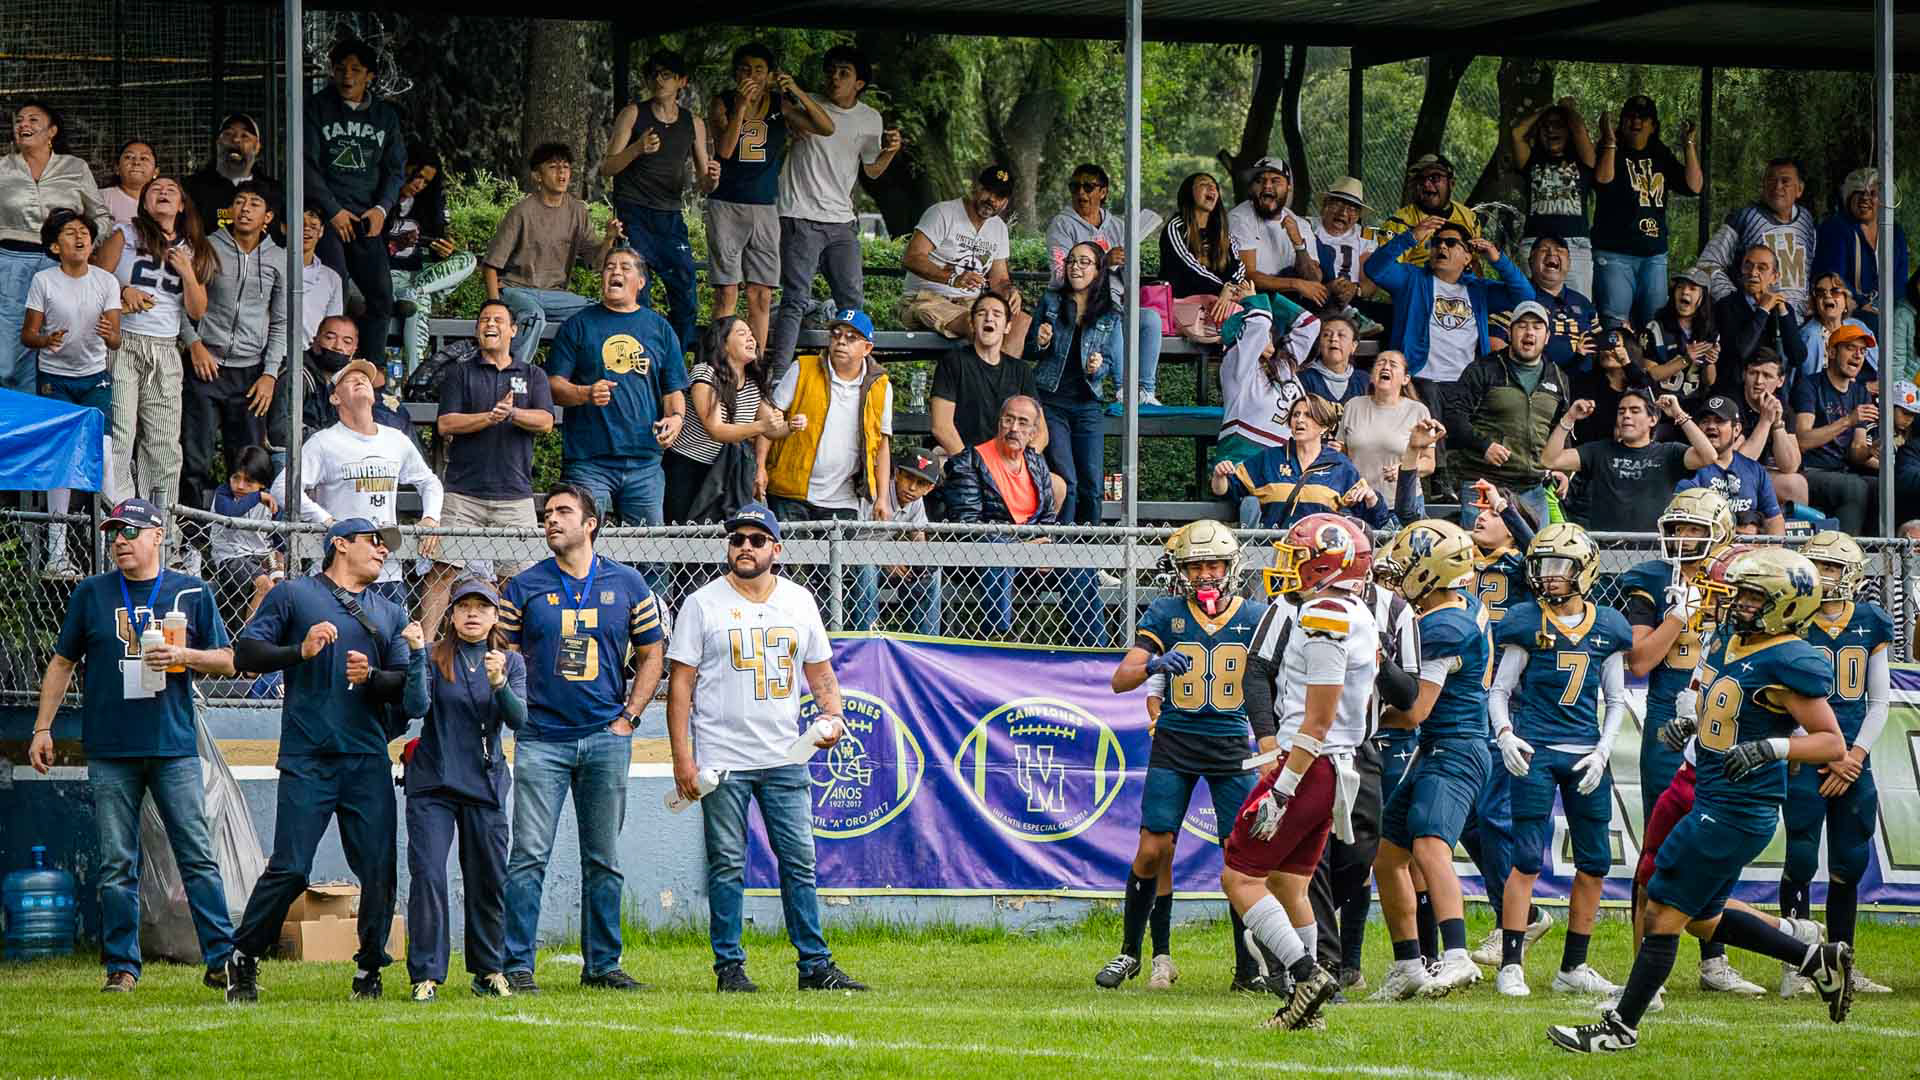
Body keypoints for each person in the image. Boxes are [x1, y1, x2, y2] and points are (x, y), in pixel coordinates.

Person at [1546, 549, 1853, 1054]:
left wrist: (1771, 748)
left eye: (1753, 596)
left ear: (1786, 604)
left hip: (1738, 808)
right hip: (1713, 794)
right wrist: (1693, 724)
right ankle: (1814, 959)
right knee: (1702, 916)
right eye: (1741, 593)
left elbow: (1831, 743)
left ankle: (1621, 1027)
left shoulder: (1788, 657)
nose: (1740, 603)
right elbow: (1732, 708)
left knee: (1663, 912)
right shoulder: (1734, 640)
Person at [26, 499, 236, 993]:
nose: (119, 540)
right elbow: (61, 662)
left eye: (130, 531)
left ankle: (222, 959)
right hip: (111, 747)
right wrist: (42, 728)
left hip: (173, 745)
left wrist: (184, 654)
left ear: (157, 535)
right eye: (114, 532)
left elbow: (229, 661)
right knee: (116, 863)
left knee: (197, 856)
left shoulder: (192, 591)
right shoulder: (91, 593)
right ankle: (121, 966)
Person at [666, 502, 870, 993]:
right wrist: (682, 757)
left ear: (776, 549)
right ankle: (729, 968)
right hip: (722, 757)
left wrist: (834, 717)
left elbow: (821, 673)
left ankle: (814, 964)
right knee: (726, 863)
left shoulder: (799, 601)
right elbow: (681, 685)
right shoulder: (702, 603)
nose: (745, 547)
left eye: (756, 540)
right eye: (737, 539)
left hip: (786, 753)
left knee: (799, 860)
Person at [225, 517, 424, 1004]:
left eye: (386, 545)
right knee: (291, 868)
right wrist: (300, 649)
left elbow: (406, 685)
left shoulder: (390, 612)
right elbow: (245, 653)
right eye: (373, 541)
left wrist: (372, 676)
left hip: (366, 757)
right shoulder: (293, 595)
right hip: (308, 756)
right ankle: (244, 955)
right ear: (340, 544)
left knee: (378, 870)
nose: (383, 550)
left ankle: (370, 968)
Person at [499, 484, 666, 994]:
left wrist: (630, 717)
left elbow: (652, 653)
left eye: (563, 512)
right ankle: (516, 965)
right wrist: (518, 711)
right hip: (541, 739)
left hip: (605, 736)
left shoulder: (628, 582)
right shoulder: (524, 586)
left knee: (603, 859)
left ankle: (603, 965)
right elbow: (501, 654)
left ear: (590, 523)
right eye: (547, 512)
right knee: (528, 856)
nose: (551, 519)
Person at [1223, 513, 1380, 1031]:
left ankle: (1306, 974)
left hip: (1309, 763)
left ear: (1326, 563)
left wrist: (1283, 788)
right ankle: (1302, 1007)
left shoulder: (1326, 612)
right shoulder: (1352, 608)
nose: (1286, 566)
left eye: (1297, 557)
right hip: (1331, 765)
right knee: (1292, 885)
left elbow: (1318, 719)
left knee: (1240, 876)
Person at [1101, 523, 1269, 993]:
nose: (1205, 574)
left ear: (1231, 566)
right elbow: (1120, 679)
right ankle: (1131, 951)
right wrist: (1153, 665)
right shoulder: (1166, 611)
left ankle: (1248, 967)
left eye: (1213, 564)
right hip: (1175, 742)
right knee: (1153, 847)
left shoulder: (1257, 616)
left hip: (1231, 746)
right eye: (1195, 566)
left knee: (1240, 858)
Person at [1611, 488, 1767, 996]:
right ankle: (1642, 974)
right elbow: (1639, 661)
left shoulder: (1742, 580)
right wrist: (1678, 615)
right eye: (1677, 527)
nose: (1682, 537)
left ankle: (1714, 960)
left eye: (1694, 529)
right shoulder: (1653, 580)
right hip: (1668, 725)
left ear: (1719, 532)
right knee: (1654, 855)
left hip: (1727, 726)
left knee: (1717, 845)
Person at [1487, 523, 1629, 998]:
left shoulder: (1608, 626)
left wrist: (1603, 750)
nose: (1548, 575)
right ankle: (1511, 964)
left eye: (1558, 566)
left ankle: (1574, 967)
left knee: (1596, 862)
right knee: (1526, 858)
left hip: (1586, 751)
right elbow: (1500, 690)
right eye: (1543, 566)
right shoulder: (1526, 620)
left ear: (1584, 570)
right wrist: (1505, 735)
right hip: (1536, 749)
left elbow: (1616, 699)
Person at [1370, 518, 1493, 999]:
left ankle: (1457, 956)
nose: (1399, 574)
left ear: (1430, 572)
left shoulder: (1444, 627)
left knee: (1429, 845)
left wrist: (1364, 717)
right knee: (1388, 855)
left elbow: (1415, 710)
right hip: (1440, 745)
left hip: (1456, 747)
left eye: (1408, 565)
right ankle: (1408, 964)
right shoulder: (1463, 605)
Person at [1781, 532, 1894, 996]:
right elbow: (1780, 695)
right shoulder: (1791, 617)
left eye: (1831, 567)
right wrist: (1818, 749)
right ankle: (1795, 963)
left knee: (1850, 859)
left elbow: (1879, 702)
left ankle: (1842, 960)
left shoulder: (1870, 621)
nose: (1823, 576)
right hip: (1807, 756)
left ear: (1851, 574)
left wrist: (1854, 756)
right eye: (1817, 566)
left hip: (1852, 758)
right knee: (1801, 857)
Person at [404, 577, 524, 1004]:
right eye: (464, 606)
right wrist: (416, 656)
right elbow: (415, 707)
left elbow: (519, 720)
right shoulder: (434, 656)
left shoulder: (510, 661)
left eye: (482, 606)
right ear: (451, 614)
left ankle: (488, 970)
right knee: (429, 875)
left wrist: (499, 683)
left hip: (484, 783)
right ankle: (426, 974)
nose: (473, 613)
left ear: (495, 616)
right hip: (433, 784)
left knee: (488, 878)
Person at [764, 44, 901, 378]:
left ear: (859, 83)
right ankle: (778, 376)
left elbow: (871, 170)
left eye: (844, 73)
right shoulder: (805, 103)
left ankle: (854, 374)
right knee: (796, 298)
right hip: (800, 213)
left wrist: (890, 152)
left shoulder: (870, 118)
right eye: (830, 71)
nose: (834, 78)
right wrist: (795, 93)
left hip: (842, 221)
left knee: (852, 301)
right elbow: (818, 124)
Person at [424, 300, 554, 630]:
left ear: (513, 330)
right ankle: (423, 648)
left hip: (515, 496)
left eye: (498, 319)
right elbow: (446, 424)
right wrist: (488, 417)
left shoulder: (533, 374)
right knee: (443, 572)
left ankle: (513, 650)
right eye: (484, 320)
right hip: (463, 494)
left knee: (517, 581)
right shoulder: (459, 372)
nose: (490, 324)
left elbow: (546, 421)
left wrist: (512, 413)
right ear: (477, 330)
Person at [274, 357, 444, 604]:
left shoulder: (396, 439)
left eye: (365, 378)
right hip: (336, 571)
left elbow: (429, 482)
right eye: (350, 379)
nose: (360, 380)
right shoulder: (323, 442)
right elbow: (282, 487)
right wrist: (326, 520)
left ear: (374, 395)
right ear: (335, 398)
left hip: (386, 571)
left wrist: (431, 517)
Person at [543, 248, 688, 530]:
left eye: (625, 267)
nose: (615, 272)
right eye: (609, 266)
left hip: (645, 463)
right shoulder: (578, 325)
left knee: (649, 549)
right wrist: (585, 393)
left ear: (641, 282)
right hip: (588, 461)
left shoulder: (660, 328)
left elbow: (673, 390)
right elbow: (553, 386)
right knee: (582, 540)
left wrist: (676, 419)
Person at [705, 43, 836, 351]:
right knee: (727, 292)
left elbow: (826, 127)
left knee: (761, 294)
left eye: (759, 70)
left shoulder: (779, 104)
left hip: (765, 207)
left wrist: (797, 91)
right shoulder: (722, 102)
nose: (752, 76)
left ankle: (756, 365)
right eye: (745, 69)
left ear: (770, 75)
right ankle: (720, 363)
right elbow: (725, 150)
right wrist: (740, 107)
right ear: (735, 73)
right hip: (726, 203)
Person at [945, 395, 1102, 646]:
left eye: (1022, 422)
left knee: (1079, 561)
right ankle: (998, 636)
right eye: (1008, 420)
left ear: (1033, 433)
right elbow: (968, 527)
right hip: (981, 560)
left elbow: (1047, 518)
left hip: (1031, 560)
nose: (1014, 428)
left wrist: (1045, 549)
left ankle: (1091, 648)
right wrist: (1020, 549)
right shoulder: (969, 462)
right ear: (999, 423)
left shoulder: (1036, 462)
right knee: (997, 548)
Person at [97, 176, 213, 508]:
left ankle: (160, 523)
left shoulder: (192, 247)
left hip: (165, 347)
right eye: (155, 190)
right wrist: (123, 291)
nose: (162, 192)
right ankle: (121, 518)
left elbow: (197, 310)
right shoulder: (125, 234)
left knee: (163, 442)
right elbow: (94, 281)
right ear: (144, 204)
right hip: (123, 343)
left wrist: (187, 272)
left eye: (171, 190)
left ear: (182, 205)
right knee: (120, 433)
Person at [179, 182, 287, 536]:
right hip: (205, 367)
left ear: (267, 217)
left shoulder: (278, 258)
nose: (245, 208)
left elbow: (281, 321)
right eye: (240, 201)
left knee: (247, 463)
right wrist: (194, 343)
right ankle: (192, 542)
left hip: (251, 375)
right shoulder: (207, 247)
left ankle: (242, 542)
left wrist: (270, 374)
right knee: (196, 459)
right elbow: (181, 301)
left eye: (255, 203)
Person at [24, 209, 122, 577]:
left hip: (95, 379)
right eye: (69, 232)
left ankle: (112, 549)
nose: (80, 237)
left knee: (106, 457)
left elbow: (116, 339)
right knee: (62, 457)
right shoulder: (44, 281)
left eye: (84, 232)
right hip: (56, 379)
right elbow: (27, 335)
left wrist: (109, 334)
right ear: (55, 246)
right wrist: (45, 339)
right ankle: (57, 553)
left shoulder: (106, 281)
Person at [602, 49, 715, 354]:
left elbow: (704, 182)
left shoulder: (693, 122)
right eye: (653, 75)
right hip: (634, 212)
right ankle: (640, 359)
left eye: (667, 75)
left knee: (686, 290)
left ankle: (673, 362)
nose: (659, 80)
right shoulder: (633, 114)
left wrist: (713, 179)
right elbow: (607, 167)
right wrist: (637, 148)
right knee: (638, 292)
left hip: (670, 216)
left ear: (682, 81)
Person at [305, 37, 406, 360]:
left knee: (382, 297)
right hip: (327, 218)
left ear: (370, 76)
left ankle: (370, 370)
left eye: (355, 69)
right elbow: (305, 165)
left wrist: (381, 209)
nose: (347, 76)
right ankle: (323, 365)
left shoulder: (386, 116)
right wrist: (332, 211)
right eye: (340, 69)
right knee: (333, 292)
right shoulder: (316, 108)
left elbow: (395, 170)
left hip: (366, 219)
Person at [3, 100, 112, 394]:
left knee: (63, 342)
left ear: (52, 131)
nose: (23, 125)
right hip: (11, 264)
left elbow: (101, 216)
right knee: (9, 354)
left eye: (33, 119)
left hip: (63, 267)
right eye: (19, 120)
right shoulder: (2, 167)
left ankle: (56, 413)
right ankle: (19, 418)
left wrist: (81, 246)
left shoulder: (75, 167)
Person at [483, 142, 622, 365]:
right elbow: (491, 265)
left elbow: (596, 263)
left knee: (598, 312)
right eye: (553, 167)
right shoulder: (521, 212)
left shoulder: (577, 211)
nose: (562, 173)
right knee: (534, 316)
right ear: (537, 176)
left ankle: (567, 375)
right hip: (516, 290)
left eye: (566, 167)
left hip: (555, 296)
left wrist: (608, 238)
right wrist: (493, 306)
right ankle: (514, 373)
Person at [1442, 300, 1572, 528]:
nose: (1529, 332)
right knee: (1481, 549)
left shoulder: (1559, 378)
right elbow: (1453, 417)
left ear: (1547, 337)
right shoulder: (1483, 369)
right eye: (1522, 325)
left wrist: (1559, 468)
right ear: (1510, 333)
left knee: (1533, 550)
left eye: (1537, 327)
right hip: (1483, 484)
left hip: (1534, 488)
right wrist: (1484, 446)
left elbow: (1559, 431)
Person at [1043, 162, 1164, 404]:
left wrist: (1128, 263)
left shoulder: (1118, 226)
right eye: (1074, 187)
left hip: (1116, 303)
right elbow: (1060, 275)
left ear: (1103, 192)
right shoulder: (1061, 225)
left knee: (1149, 319)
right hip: (1079, 307)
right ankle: (1122, 390)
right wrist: (1103, 262)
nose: (1081, 193)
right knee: (1112, 316)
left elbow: (1131, 281)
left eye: (1088, 187)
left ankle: (1145, 391)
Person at [1365, 219, 1534, 389]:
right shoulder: (1411, 279)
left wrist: (1498, 260)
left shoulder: (1479, 290)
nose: (1442, 246)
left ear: (1467, 257)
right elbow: (1374, 269)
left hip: (1465, 385)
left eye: (1451, 243)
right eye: (1436, 242)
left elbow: (1525, 297)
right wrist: (1410, 237)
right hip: (1417, 381)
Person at [763, 308, 892, 523]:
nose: (841, 341)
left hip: (845, 498)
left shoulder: (881, 386)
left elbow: (882, 445)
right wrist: (760, 467)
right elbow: (770, 419)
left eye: (851, 337)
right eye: (836, 334)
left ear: (867, 348)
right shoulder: (802, 368)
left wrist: (883, 498)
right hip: (790, 491)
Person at [664, 314, 793, 526]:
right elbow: (716, 430)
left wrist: (790, 426)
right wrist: (762, 425)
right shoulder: (705, 373)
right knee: (680, 532)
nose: (751, 339)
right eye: (742, 333)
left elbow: (771, 431)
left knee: (717, 533)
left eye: (751, 334)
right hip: (686, 467)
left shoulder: (752, 382)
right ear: (723, 344)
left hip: (723, 470)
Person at [1029, 242, 1122, 525]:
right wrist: (1040, 341)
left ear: (1098, 270)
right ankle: (1064, 546)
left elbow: (1110, 363)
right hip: (1051, 401)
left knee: (1092, 486)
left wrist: (1097, 368)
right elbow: (1029, 349)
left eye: (1084, 262)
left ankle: (1089, 549)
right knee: (1066, 481)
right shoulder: (1051, 301)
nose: (1075, 267)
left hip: (1088, 404)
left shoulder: (1110, 312)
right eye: (1071, 261)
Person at [1589, 95, 1702, 329]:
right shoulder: (1610, 148)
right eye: (1630, 117)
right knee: (1615, 325)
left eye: (1643, 118)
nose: (1636, 122)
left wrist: (1689, 144)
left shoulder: (1659, 152)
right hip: (1614, 253)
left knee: (1654, 326)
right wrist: (1610, 140)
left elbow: (1694, 186)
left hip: (1654, 255)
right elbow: (1602, 180)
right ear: (1621, 122)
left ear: (1653, 126)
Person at [1540, 389, 1717, 534]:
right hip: (1606, 549)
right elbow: (1550, 460)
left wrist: (1678, 413)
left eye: (1635, 411)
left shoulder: (1669, 453)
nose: (1626, 415)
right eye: (1621, 411)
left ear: (1653, 419)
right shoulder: (1599, 451)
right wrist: (1570, 417)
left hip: (1653, 549)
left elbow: (1708, 456)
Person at [1211, 395, 1392, 531]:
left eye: (1308, 415)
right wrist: (1219, 476)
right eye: (1296, 415)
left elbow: (1376, 519)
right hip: (1272, 553)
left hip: (1319, 556)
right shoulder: (1268, 458)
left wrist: (1371, 498)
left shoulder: (1340, 466)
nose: (1300, 420)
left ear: (1324, 426)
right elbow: (1227, 490)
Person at [1213, 296, 1314, 525]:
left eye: (1270, 333)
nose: (1267, 337)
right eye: (1262, 334)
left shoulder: (1283, 366)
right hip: (1247, 459)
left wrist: (1271, 296)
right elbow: (1258, 322)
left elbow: (1310, 325)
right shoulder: (1236, 366)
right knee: (1257, 503)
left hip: (1287, 462)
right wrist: (1251, 299)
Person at [899, 166, 1027, 344]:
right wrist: (952, 278)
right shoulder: (943, 213)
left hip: (971, 303)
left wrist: (1009, 291)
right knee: (979, 324)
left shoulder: (999, 228)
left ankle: (996, 364)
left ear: (1005, 202)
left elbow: (999, 280)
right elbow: (912, 258)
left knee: (1022, 325)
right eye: (988, 190)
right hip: (924, 299)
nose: (991, 199)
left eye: (999, 196)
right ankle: (986, 362)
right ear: (976, 187)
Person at [387, 146, 476, 371]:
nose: (419, 185)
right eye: (417, 176)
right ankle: (415, 376)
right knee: (419, 304)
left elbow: (435, 251)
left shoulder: (427, 206)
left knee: (468, 260)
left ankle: (416, 292)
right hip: (386, 277)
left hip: (420, 279)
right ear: (404, 168)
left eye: (426, 182)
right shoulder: (382, 200)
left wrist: (444, 250)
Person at [1699, 159, 1819, 318]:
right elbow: (1707, 263)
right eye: (1771, 180)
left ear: (1799, 189)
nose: (1777, 186)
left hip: (1800, 322)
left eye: (1785, 181)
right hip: (1756, 320)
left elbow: (1811, 267)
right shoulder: (1745, 218)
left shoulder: (1806, 220)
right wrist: (1732, 299)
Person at [1791, 323, 1877, 535]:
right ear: (1831, 352)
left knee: (1884, 487)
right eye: (1850, 347)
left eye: (1862, 351)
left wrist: (1872, 450)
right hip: (1810, 471)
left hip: (1843, 471)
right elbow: (1803, 440)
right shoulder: (1809, 385)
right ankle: (1844, 551)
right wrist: (1847, 420)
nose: (1858, 355)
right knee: (1853, 487)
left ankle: (1880, 551)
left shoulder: (1860, 393)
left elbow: (1856, 451)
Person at [1337, 350, 1442, 523]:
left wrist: (1405, 470)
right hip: (1359, 502)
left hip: (1402, 505)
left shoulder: (1418, 411)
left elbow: (1429, 464)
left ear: (1405, 379)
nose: (1386, 367)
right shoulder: (1353, 406)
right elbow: (1342, 455)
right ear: (1372, 376)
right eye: (1380, 363)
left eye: (1393, 364)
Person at [848, 448, 943, 636]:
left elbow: (918, 538)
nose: (912, 487)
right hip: (852, 560)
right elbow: (849, 539)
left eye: (921, 483)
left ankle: (925, 641)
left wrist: (920, 562)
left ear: (929, 488)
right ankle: (868, 637)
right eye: (908, 478)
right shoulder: (875, 493)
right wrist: (884, 557)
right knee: (867, 568)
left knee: (932, 573)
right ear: (897, 474)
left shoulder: (915, 502)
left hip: (884, 562)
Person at [931, 293, 1039, 457]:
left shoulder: (1021, 370)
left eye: (997, 314)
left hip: (1006, 459)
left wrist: (1021, 462)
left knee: (1054, 476)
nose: (989, 318)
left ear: (1007, 327)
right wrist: (972, 464)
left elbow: (1040, 433)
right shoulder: (953, 362)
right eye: (981, 313)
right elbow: (942, 428)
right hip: (960, 456)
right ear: (972, 324)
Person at [1508, 99, 1598, 296]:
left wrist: (1567, 109)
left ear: (1568, 131)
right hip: (1535, 245)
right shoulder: (1531, 160)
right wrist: (1545, 108)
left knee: (1578, 305)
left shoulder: (1584, 161)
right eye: (1545, 126)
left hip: (1575, 247)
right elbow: (1517, 134)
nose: (1551, 130)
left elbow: (1580, 130)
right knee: (1532, 305)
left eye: (1558, 125)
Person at [1813, 168, 1910, 332]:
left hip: (1886, 306)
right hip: (1848, 306)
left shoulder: (1895, 232)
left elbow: (1900, 280)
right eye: (1858, 192)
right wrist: (1862, 302)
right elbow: (1834, 275)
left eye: (1873, 193)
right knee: (1876, 325)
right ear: (1848, 197)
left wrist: (1895, 308)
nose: (1865, 198)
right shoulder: (1836, 228)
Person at [1488, 235, 1601, 375]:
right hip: (1534, 382)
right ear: (1530, 261)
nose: (1552, 253)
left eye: (1560, 250)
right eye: (1544, 249)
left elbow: (1600, 344)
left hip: (1584, 382)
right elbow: (1494, 342)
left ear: (1569, 263)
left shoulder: (1582, 302)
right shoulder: (1517, 296)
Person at [1677, 394, 1786, 535]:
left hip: (1749, 548)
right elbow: (1687, 524)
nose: (1711, 426)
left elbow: (1774, 519)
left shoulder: (1755, 469)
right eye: (1705, 421)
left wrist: (1773, 547)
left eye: (1719, 421)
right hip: (1707, 547)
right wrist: (1737, 531)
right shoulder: (1689, 468)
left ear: (1737, 430)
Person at [1226, 156, 1325, 308]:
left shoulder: (1300, 225)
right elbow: (1248, 276)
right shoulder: (1239, 218)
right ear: (1252, 188)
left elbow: (1314, 279)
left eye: (1275, 181)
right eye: (1259, 181)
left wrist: (1298, 244)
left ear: (1288, 187)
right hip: (1254, 297)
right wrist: (1296, 284)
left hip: (1293, 298)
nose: (1267, 186)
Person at [1159, 172, 1250, 328]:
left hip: (1221, 301)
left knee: (1260, 306)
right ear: (1188, 192)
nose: (1212, 188)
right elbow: (1190, 268)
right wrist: (1224, 289)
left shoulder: (1221, 231)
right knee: (1248, 318)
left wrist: (1230, 288)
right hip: (1185, 306)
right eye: (1203, 184)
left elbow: (1238, 266)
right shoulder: (1176, 228)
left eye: (1214, 186)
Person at [1713, 244, 1808, 390]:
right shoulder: (1725, 306)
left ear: (1775, 277)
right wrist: (1763, 310)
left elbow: (1797, 357)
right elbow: (1740, 352)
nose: (1753, 273)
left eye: (1762, 268)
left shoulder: (1783, 309)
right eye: (1748, 266)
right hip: (1734, 390)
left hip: (1772, 391)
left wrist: (1783, 313)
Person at [209, 445, 281, 625]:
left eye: (249, 481)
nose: (240, 486)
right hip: (231, 559)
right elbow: (230, 513)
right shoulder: (224, 494)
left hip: (261, 557)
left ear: (262, 483)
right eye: (236, 478)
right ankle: (250, 638)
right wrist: (257, 497)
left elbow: (278, 539)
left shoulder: (271, 500)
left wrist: (279, 565)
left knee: (280, 587)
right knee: (264, 585)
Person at [185, 113, 281, 239]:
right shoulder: (192, 188)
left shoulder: (273, 190)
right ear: (218, 142)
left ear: (257, 147)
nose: (236, 139)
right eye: (228, 134)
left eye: (245, 136)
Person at [1378, 154, 1481, 269]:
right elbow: (1383, 268)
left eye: (1435, 178)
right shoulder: (1399, 222)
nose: (1426, 184)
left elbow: (1474, 264)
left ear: (1451, 183)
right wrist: (1411, 237)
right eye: (1420, 179)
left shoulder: (1469, 217)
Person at [1639, 266, 1719, 406]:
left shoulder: (1709, 330)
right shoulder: (1655, 328)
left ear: (1703, 297)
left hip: (1694, 405)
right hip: (1660, 404)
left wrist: (1710, 362)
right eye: (1680, 287)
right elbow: (1651, 374)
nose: (1685, 292)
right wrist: (1685, 360)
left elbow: (1709, 381)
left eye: (1692, 288)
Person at [1800, 272, 1879, 386]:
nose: (1827, 296)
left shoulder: (1859, 326)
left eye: (1835, 291)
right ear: (1815, 302)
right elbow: (1810, 384)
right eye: (1820, 292)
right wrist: (1863, 387)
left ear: (1846, 301)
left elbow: (1878, 367)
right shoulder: (1808, 336)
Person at [297, 205, 346, 350]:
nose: (306, 229)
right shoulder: (271, 266)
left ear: (321, 231)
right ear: (284, 227)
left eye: (313, 226)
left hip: (312, 356)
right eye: (300, 224)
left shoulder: (332, 278)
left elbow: (333, 327)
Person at [1298, 313, 1367, 405]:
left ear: (1353, 346)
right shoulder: (1304, 379)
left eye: (1341, 335)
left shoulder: (1364, 380)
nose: (1333, 339)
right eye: (1326, 335)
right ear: (1319, 344)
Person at [99, 139, 157, 226]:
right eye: (129, 157)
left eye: (144, 158)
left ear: (155, 172)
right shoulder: (100, 198)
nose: (136, 162)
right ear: (117, 168)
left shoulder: (164, 201)